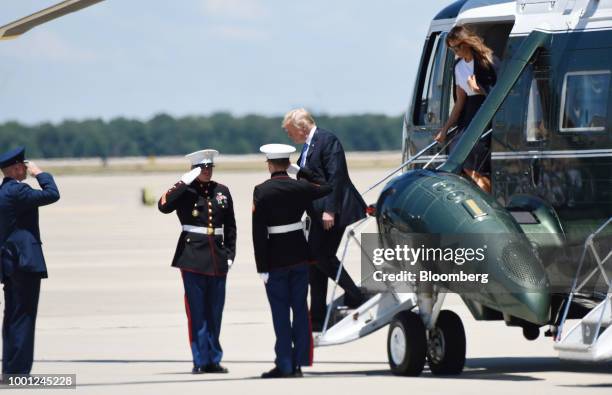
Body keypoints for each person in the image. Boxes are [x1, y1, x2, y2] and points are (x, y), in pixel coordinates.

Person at [282, 108, 366, 332]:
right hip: (318, 214)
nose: (290, 137)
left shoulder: (327, 140)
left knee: (321, 256)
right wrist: (289, 168)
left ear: (302, 127)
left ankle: (356, 295)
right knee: (314, 263)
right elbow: (312, 175)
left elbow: (335, 176)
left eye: (291, 132)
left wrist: (330, 210)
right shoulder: (309, 146)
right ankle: (316, 317)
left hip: (334, 211)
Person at [253, 144, 331, 378]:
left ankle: (284, 364)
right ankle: (299, 363)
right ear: (287, 164)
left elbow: (258, 232)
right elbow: (327, 187)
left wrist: (261, 266)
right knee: (300, 311)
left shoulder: (262, 190)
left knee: (280, 314)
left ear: (269, 164)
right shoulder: (300, 187)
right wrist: (303, 172)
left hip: (275, 259)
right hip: (299, 256)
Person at [158, 149, 236, 374]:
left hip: (218, 258)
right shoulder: (185, 191)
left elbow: (230, 227)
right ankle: (200, 360)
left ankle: (214, 359)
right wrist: (183, 181)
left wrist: (230, 255)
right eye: (203, 168)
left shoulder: (221, 191)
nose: (208, 171)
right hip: (192, 257)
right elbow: (163, 205)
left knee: (215, 312)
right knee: (197, 313)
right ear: (193, 170)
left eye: (210, 167)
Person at [0, 147, 60, 376]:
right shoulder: (18, 191)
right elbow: (52, 194)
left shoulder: (3, 192)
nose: (25, 170)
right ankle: (18, 371)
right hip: (25, 262)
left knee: (13, 315)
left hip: (9, 261)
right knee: (24, 315)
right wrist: (40, 174)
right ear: (15, 168)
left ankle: (10, 366)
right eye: (23, 167)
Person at [435, 25, 497, 193]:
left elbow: (501, 94)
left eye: (456, 47)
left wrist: (478, 89)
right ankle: (481, 192)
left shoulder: (487, 60)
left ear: (466, 43)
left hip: (486, 114)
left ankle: (488, 194)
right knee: (456, 151)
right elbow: (460, 102)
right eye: (451, 48)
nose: (455, 51)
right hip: (469, 114)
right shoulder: (458, 67)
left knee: (471, 157)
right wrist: (445, 129)